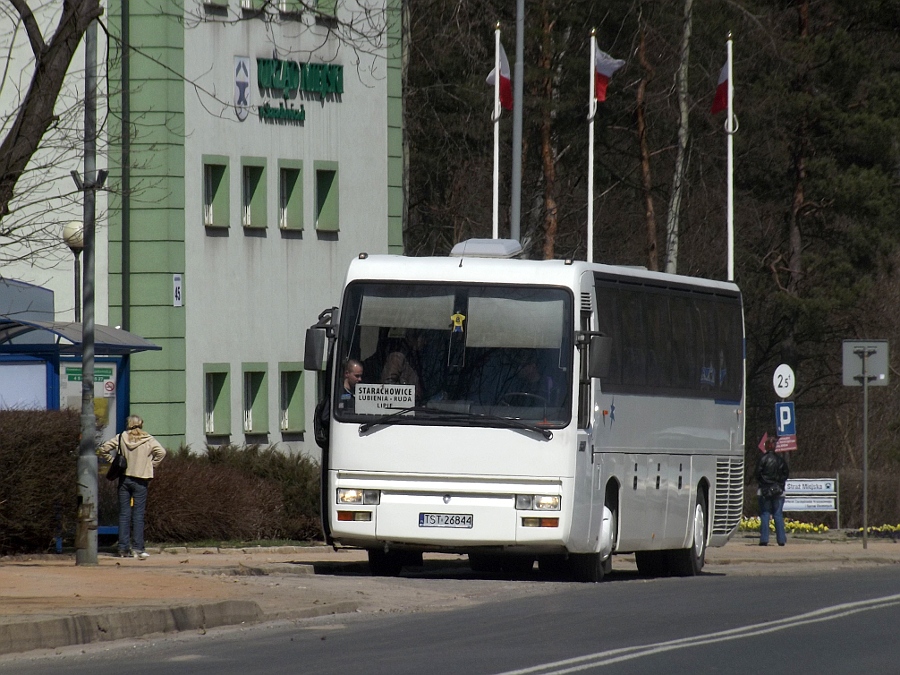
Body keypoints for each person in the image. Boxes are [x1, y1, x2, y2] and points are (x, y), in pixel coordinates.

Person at [98, 415, 167, 559]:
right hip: (141, 479)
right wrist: (151, 465)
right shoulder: (148, 439)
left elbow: (103, 449)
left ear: (128, 424)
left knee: (124, 514)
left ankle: (123, 549)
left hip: (124, 479)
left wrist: (112, 461)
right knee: (138, 514)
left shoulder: (121, 437)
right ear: (141, 424)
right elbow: (162, 452)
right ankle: (138, 548)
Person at [756, 434, 789, 547]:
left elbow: (757, 473)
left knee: (765, 514)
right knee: (778, 514)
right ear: (775, 447)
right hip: (778, 490)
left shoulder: (763, 459)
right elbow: (785, 474)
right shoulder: (780, 460)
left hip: (764, 490)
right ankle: (781, 540)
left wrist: (763, 483)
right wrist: (779, 484)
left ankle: (764, 539)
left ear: (766, 446)